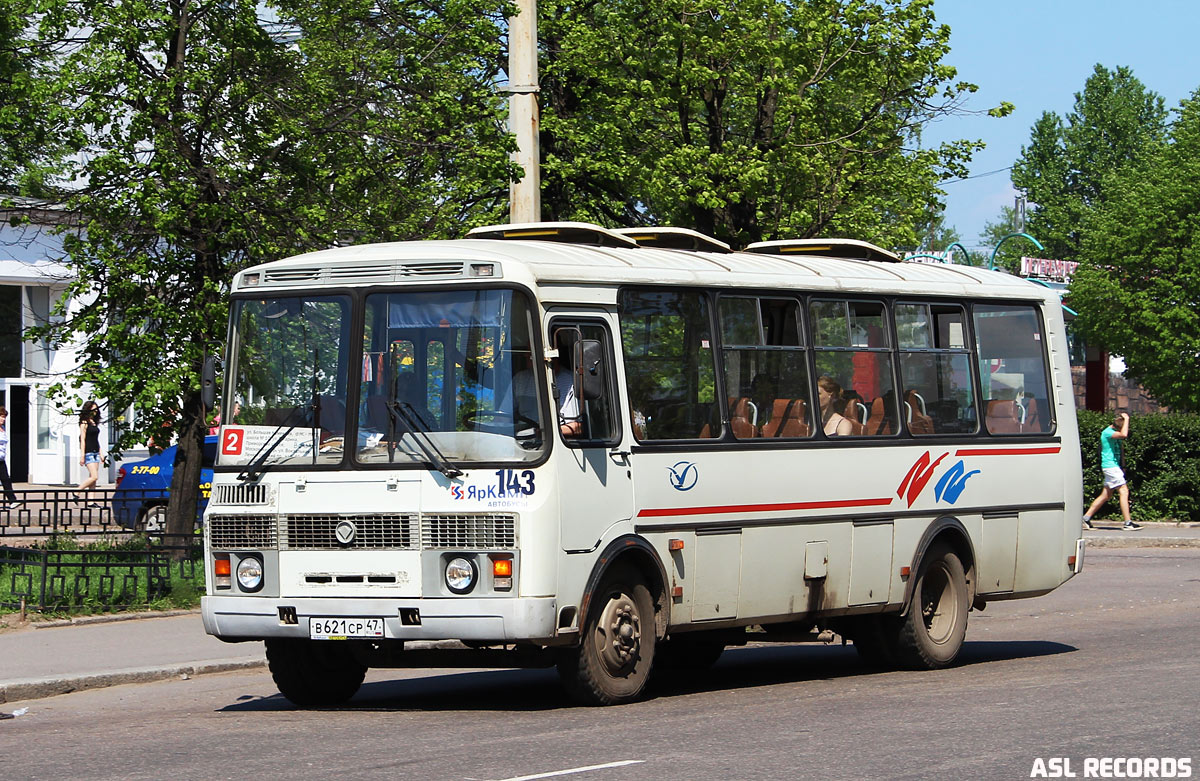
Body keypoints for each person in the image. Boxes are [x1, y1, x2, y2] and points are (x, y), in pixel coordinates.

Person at [1082, 411, 1140, 531]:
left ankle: (1086, 518)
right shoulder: (1108, 433)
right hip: (1110, 466)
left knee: (1106, 495)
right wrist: (1127, 419)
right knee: (1124, 491)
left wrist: (1122, 466)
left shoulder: (1114, 432)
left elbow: (1121, 450)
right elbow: (1124, 435)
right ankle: (1127, 523)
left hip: (1113, 466)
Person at [77, 400, 103, 507]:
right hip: (88, 452)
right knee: (94, 476)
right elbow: (82, 439)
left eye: (96, 409)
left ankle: (91, 501)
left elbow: (96, 439)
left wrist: (101, 453)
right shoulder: (84, 423)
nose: (95, 412)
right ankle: (76, 491)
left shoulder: (94, 422)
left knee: (93, 480)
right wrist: (82, 455)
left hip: (95, 451)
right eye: (93, 409)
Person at [0, 406, 21, 510]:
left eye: (4, 417)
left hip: (1, 460)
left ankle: (12, 500)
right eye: (1, 417)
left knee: (6, 480)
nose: (3, 419)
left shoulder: (2, 429)